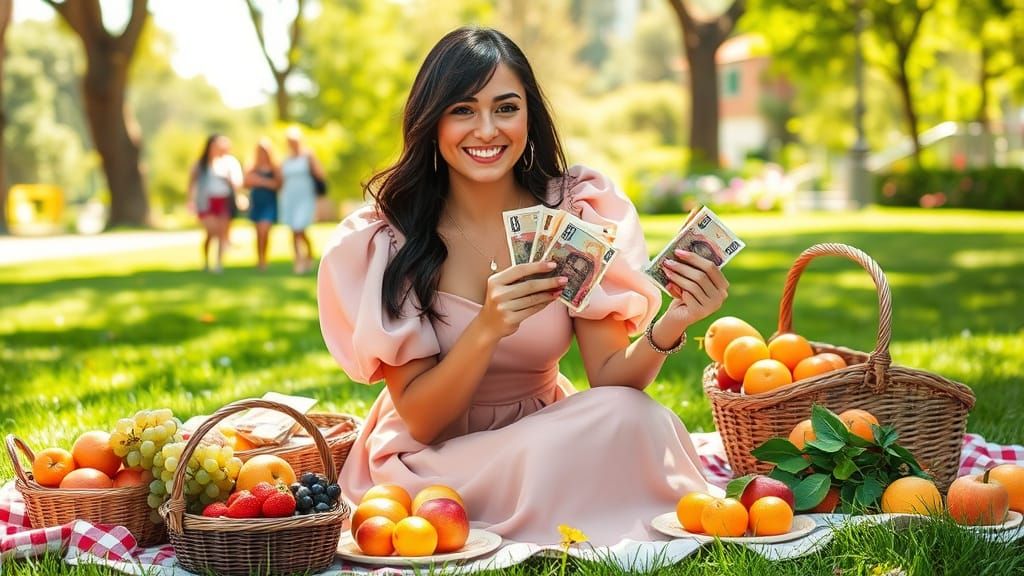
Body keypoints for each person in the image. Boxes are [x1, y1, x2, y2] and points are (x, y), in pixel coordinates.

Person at [317, 27, 730, 546]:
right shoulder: (394, 239)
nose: (487, 130)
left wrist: (676, 320)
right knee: (578, 445)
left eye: (506, 107)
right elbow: (423, 420)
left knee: (635, 416)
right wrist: (489, 326)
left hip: (547, 434)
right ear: (432, 121)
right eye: (463, 110)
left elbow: (610, 380)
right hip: (436, 462)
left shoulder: (574, 211)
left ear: (529, 115)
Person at [188, 134, 242, 273]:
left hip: (223, 200)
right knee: (211, 232)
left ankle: (218, 263)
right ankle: (206, 261)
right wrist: (190, 201)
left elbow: (236, 184)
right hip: (206, 201)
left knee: (220, 232)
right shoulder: (201, 164)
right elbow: (192, 183)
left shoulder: (227, 163)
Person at [280, 126, 324, 274]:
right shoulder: (285, 159)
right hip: (290, 197)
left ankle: (309, 256)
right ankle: (298, 259)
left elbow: (320, 175)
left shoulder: (308, 156)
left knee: (300, 228)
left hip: (305, 197)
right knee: (293, 230)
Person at [244, 138, 282, 271]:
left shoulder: (274, 167)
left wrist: (260, 181)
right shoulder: (252, 166)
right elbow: (246, 182)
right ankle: (259, 259)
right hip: (257, 202)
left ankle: (264, 258)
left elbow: (278, 184)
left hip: (269, 202)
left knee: (264, 230)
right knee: (257, 233)